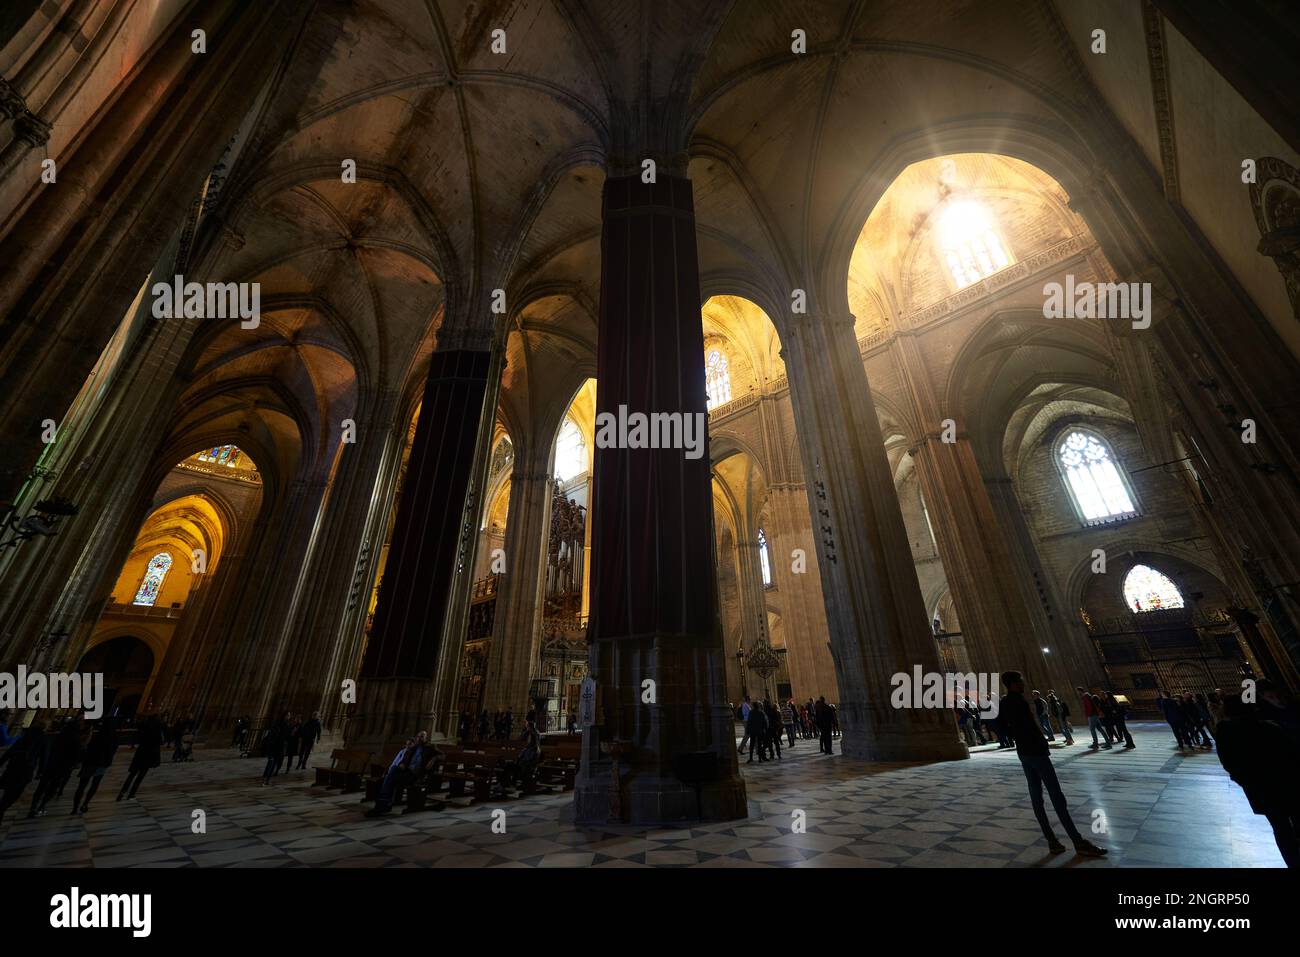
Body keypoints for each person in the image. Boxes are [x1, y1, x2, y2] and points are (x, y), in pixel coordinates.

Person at [999, 672, 1107, 857]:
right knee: (1057, 797)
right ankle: (1077, 841)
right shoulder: (1019, 701)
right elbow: (1029, 726)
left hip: (1023, 752)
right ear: (1014, 683)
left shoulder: (1004, 702)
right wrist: (1039, 742)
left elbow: (1001, 725)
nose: (1023, 683)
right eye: (1021, 681)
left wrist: (1016, 737)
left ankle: (1052, 842)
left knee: (1036, 798)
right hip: (1036, 752)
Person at [1214, 692, 1299, 867]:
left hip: (1259, 788)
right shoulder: (1269, 727)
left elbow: (1229, 763)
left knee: (1280, 827)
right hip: (1288, 783)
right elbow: (1292, 754)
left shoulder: (1225, 732)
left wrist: (1245, 781)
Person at [368, 732, 434, 815]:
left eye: (422, 736)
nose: (420, 738)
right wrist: (401, 764)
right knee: (391, 772)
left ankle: (383, 805)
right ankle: (384, 804)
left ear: (426, 738)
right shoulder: (414, 748)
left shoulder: (430, 747)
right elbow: (405, 757)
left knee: (389, 779)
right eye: (418, 736)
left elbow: (442, 755)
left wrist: (433, 759)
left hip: (415, 775)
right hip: (407, 772)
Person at [29, 716, 82, 817]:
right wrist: (71, 766)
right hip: (62, 768)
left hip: (51, 764)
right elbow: (75, 756)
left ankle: (33, 807)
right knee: (53, 787)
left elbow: (51, 750)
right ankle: (42, 806)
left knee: (41, 787)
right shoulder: (76, 739)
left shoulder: (59, 736)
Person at [0, 720, 47, 825]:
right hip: (26, 769)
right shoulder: (43, 738)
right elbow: (43, 756)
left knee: (8, 790)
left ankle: (2, 806)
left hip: (13, 766)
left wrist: (1, 762)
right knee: (16, 793)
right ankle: (2, 807)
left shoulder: (25, 736)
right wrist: (40, 771)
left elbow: (10, 751)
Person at [72, 717, 119, 815]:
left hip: (90, 762)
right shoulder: (113, 737)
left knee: (82, 785)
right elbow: (112, 752)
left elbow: (87, 748)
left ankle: (75, 808)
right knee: (95, 784)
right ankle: (85, 803)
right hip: (101, 764)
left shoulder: (97, 735)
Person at [117, 714, 162, 801]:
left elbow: (138, 737)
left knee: (132, 774)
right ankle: (131, 794)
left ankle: (122, 792)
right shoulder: (157, 729)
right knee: (140, 776)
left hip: (140, 753)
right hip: (149, 755)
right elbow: (160, 741)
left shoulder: (144, 727)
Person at [261, 711, 291, 785]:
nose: (289, 717)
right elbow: (273, 733)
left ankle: (268, 778)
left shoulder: (287, 725)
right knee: (271, 762)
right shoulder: (278, 723)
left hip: (280, 746)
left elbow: (287, 736)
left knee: (274, 763)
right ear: (284, 715)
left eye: (289, 715)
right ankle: (265, 777)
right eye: (288, 715)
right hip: (274, 745)